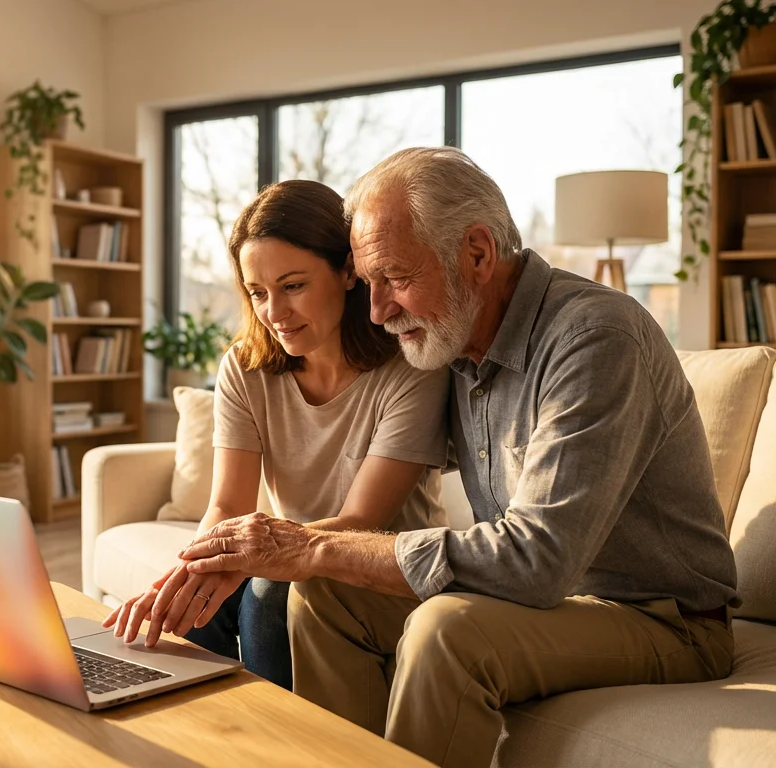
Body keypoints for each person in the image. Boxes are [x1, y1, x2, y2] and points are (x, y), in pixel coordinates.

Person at [175, 147, 738, 767]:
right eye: (370, 282)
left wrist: (315, 545)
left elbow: (537, 560)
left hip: (658, 618)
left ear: (476, 253)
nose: (379, 310)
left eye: (395, 278)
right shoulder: (456, 348)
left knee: (444, 633)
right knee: (322, 594)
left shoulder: (594, 338)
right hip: (539, 602)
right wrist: (297, 558)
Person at [103, 179, 450, 690]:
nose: (275, 314)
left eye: (293, 286)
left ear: (348, 270)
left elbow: (360, 521)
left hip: (370, 573)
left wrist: (251, 560)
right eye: (257, 293)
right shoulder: (245, 368)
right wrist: (190, 571)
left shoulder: (411, 368)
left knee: (266, 594)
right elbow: (227, 506)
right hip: (277, 557)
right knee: (197, 601)